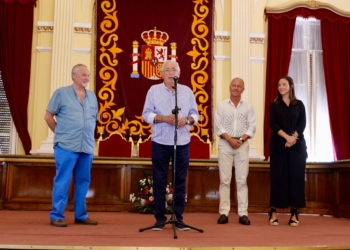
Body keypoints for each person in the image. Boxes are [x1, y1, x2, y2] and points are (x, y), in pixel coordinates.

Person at [142, 60, 199, 231]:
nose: (171, 72)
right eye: (167, 69)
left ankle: (178, 217)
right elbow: (146, 114)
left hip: (182, 142)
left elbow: (195, 115)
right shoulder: (154, 90)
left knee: (180, 181)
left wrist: (187, 120)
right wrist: (163, 118)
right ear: (162, 73)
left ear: (179, 73)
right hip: (160, 142)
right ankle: (159, 218)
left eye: (174, 69)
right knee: (159, 181)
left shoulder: (187, 91)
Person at [44, 64, 98, 227]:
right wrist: (60, 135)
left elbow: (93, 120)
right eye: (83, 75)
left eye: (88, 75)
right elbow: (48, 117)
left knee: (83, 182)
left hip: (86, 146)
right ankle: (56, 215)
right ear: (73, 76)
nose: (86, 78)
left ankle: (81, 215)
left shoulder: (92, 96)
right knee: (63, 181)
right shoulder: (61, 93)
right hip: (66, 146)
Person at [215, 77, 256, 226]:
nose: (236, 88)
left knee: (242, 180)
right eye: (234, 85)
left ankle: (243, 213)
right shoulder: (221, 106)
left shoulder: (248, 107)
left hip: (242, 145)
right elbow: (218, 126)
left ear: (243, 90)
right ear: (229, 87)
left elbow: (252, 127)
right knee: (224, 180)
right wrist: (230, 139)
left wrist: (241, 140)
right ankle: (224, 213)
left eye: (239, 86)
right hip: (225, 145)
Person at [268, 76, 307, 227]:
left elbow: (302, 124)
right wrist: (286, 138)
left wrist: (293, 138)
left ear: (291, 86)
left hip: (296, 147)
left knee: (296, 179)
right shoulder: (274, 105)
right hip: (279, 146)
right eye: (279, 85)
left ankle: (294, 212)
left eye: (284, 84)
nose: (281, 87)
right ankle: (273, 211)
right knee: (278, 178)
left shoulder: (299, 105)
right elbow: (273, 124)